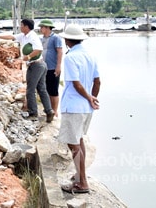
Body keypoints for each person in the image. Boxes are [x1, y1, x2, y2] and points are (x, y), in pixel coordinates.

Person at [57, 24, 100, 194]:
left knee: (73, 143)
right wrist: (93, 98)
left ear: (67, 41)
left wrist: (89, 97)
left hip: (74, 105)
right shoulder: (90, 55)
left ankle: (82, 183)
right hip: (86, 108)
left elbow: (76, 84)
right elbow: (97, 82)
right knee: (79, 140)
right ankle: (80, 175)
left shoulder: (70, 58)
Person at [0, 18, 54, 123]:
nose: (20, 27)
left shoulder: (33, 37)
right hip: (39, 64)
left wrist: (26, 57)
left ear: (27, 27)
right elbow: (10, 37)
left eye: (22, 25)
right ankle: (49, 111)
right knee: (41, 89)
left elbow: (39, 49)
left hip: (36, 65)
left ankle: (33, 113)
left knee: (30, 90)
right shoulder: (23, 36)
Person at [38, 19, 63, 117]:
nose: (40, 29)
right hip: (43, 67)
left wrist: (58, 66)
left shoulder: (56, 38)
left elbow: (59, 51)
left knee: (53, 90)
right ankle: (48, 110)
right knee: (46, 89)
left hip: (52, 67)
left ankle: (55, 110)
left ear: (48, 28)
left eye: (42, 27)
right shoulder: (41, 38)